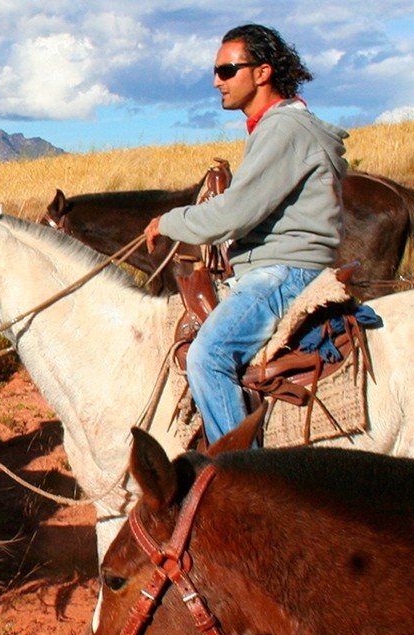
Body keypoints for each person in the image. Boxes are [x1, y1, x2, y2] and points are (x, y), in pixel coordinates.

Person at [142, 24, 347, 445]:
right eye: (216, 71)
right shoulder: (278, 128)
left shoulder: (283, 129)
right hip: (279, 265)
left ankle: (240, 479)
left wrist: (168, 222)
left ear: (262, 72)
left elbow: (233, 215)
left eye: (227, 69)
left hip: (282, 271)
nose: (217, 80)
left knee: (208, 356)